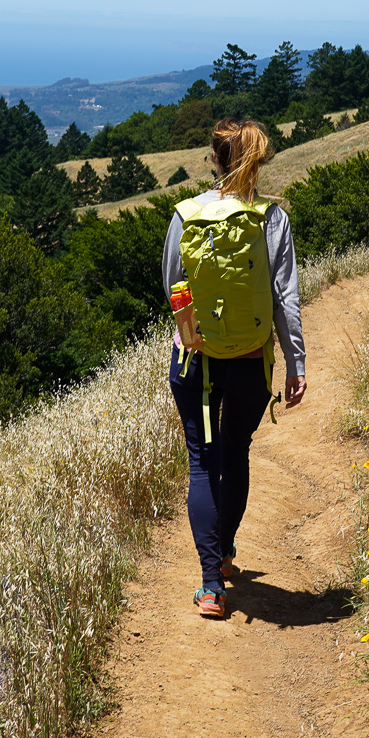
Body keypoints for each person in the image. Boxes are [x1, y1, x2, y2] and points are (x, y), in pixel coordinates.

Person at [160, 117, 307, 619]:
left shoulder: (187, 213)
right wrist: (295, 362)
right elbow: (285, 297)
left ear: (214, 159)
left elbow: (173, 289)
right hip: (249, 360)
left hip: (196, 359)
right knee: (235, 452)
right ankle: (223, 552)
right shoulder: (271, 218)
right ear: (257, 161)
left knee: (200, 461)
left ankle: (210, 587)